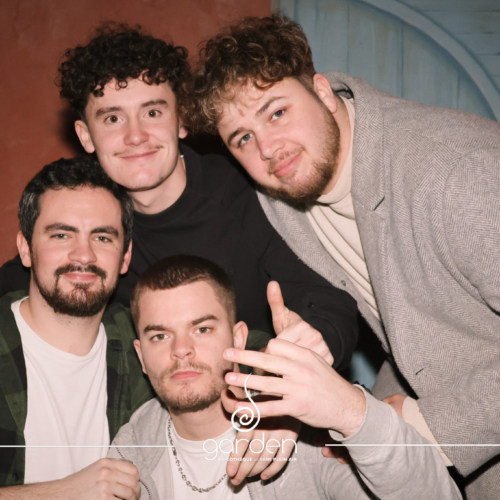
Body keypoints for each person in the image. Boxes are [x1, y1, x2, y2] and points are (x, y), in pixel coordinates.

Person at [188, 14, 500, 499]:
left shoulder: (460, 173)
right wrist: (327, 408)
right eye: (243, 138)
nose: (268, 148)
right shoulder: (281, 196)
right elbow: (421, 336)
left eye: (276, 112)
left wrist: (414, 426)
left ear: (322, 91)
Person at [0, 23, 358, 372]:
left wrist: (314, 340)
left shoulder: (244, 192)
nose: (136, 136)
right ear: (86, 136)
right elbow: (25, 274)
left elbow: (327, 300)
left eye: (152, 113)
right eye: (112, 119)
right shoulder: (95, 220)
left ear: (181, 120)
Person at [108, 254, 460, 500]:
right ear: (141, 356)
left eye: (202, 329)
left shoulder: (305, 436)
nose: (181, 350)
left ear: (238, 339)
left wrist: (351, 412)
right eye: (160, 336)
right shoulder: (130, 451)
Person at [0, 156, 154, 497]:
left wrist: (265, 407)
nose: (83, 255)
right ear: (25, 249)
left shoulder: (146, 343)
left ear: (125, 257)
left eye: (102, 238)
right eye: (61, 235)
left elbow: (223, 351)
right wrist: (63, 492)